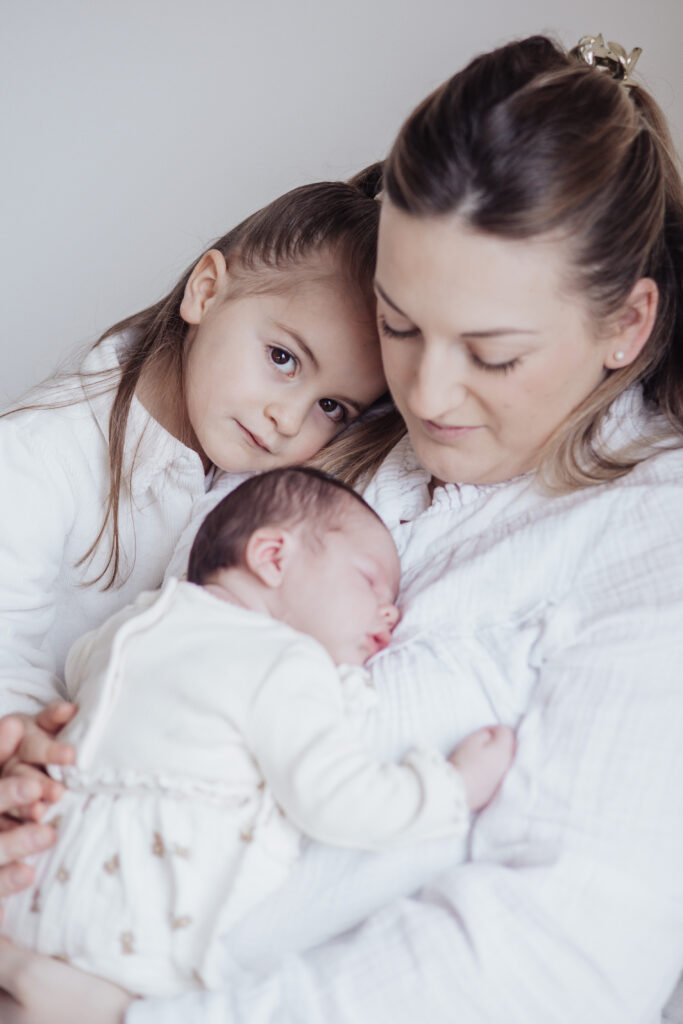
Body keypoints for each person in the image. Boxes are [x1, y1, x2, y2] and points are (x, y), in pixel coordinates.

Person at [1, 31, 683, 1024]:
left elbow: (551, 959)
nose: (427, 392)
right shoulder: (345, 426)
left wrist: (115, 1016)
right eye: (399, 324)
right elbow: (127, 659)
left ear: (623, 325)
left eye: (489, 354)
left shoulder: (649, 548)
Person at [1, 467, 514, 996]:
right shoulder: (286, 661)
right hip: (132, 936)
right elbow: (336, 798)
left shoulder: (123, 628)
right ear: (273, 557)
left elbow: (62, 712)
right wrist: (452, 787)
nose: (391, 608)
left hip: (26, 896)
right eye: (369, 580)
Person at [0, 174, 388, 871]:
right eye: (281, 359)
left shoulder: (254, 483)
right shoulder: (40, 452)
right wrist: (27, 736)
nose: (290, 418)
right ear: (205, 291)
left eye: (333, 406)